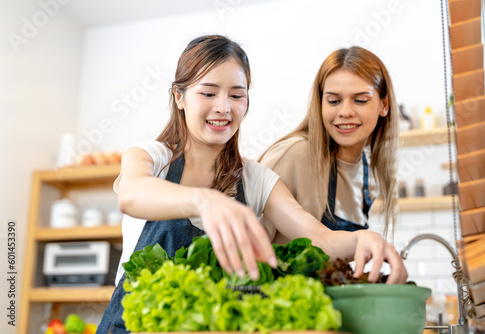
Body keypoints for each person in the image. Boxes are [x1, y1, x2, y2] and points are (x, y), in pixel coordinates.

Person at [97, 36, 407, 334]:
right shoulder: (151, 156)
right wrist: (205, 200)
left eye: (236, 94)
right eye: (208, 93)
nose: (223, 107)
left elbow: (319, 238)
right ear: (179, 97)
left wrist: (365, 240)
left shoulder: (256, 179)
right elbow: (132, 193)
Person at [259, 46, 398, 244]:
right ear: (320, 103)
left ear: (384, 105)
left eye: (360, 100)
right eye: (333, 101)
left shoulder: (368, 175)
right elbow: (243, 248)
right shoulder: (296, 155)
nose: (345, 111)